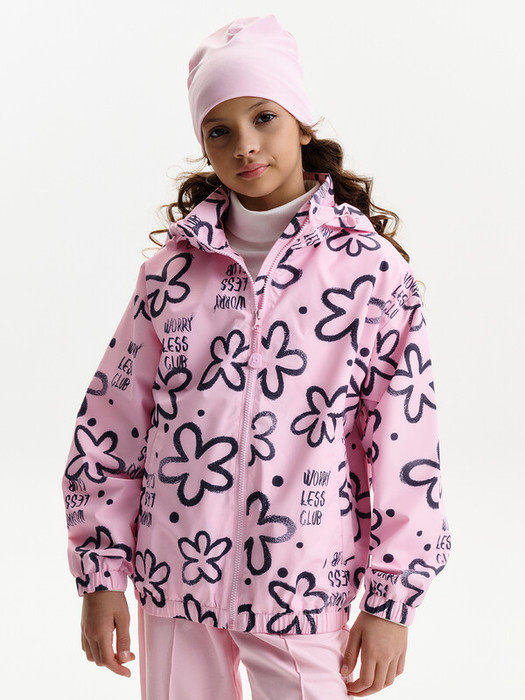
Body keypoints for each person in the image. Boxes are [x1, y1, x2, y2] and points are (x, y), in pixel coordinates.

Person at [63, 15, 450, 699]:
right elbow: (112, 423)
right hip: (175, 574)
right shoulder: (171, 274)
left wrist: (392, 601)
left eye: (263, 117)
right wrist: (101, 577)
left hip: (302, 580)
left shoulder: (371, 273)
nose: (244, 144)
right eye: (219, 130)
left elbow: (401, 441)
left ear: (301, 123)